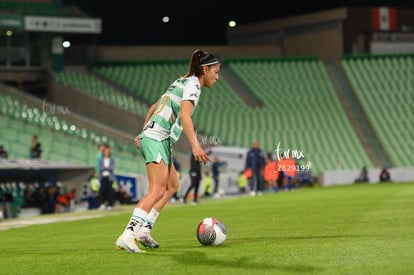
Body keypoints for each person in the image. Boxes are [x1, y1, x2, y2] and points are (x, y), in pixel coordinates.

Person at [115, 49, 220, 253]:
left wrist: (143, 131)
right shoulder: (193, 85)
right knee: (157, 190)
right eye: (215, 72)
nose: (217, 77)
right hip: (157, 139)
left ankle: (143, 230)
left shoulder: (180, 81)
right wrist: (196, 145)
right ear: (205, 70)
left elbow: (153, 107)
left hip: (156, 138)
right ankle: (127, 235)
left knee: (172, 186)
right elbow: (185, 118)